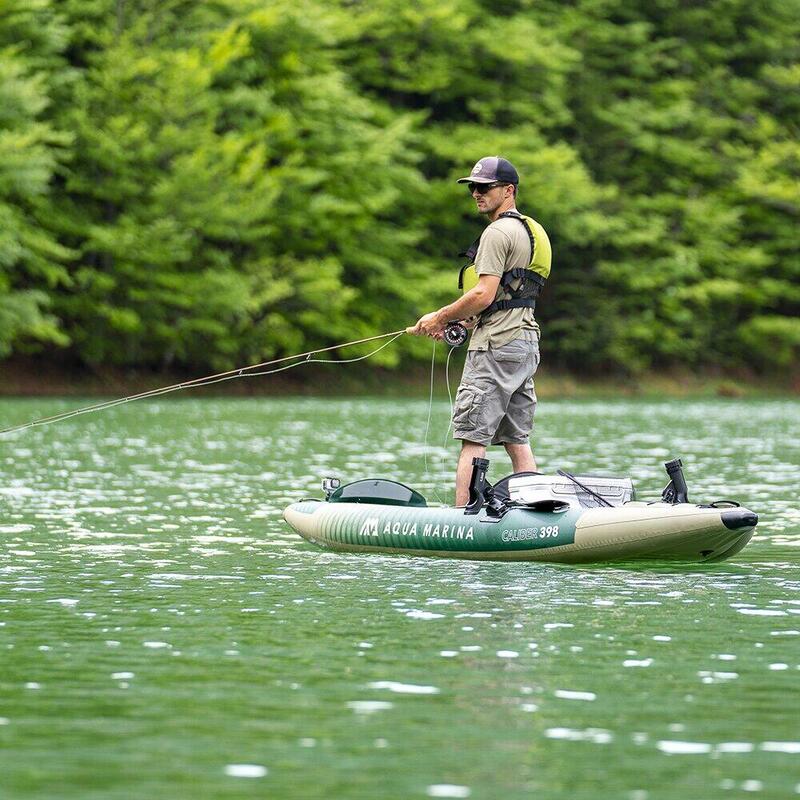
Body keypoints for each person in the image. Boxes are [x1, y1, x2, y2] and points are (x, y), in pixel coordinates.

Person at [407, 156, 551, 505]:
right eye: (473, 187)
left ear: (509, 190)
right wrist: (462, 322)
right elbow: (508, 296)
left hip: (496, 345)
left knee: (473, 436)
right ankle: (534, 510)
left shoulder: (497, 231)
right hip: (524, 343)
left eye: (485, 187)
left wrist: (439, 317)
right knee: (517, 438)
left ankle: (463, 520)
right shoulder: (531, 231)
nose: (476, 192)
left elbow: (483, 293)